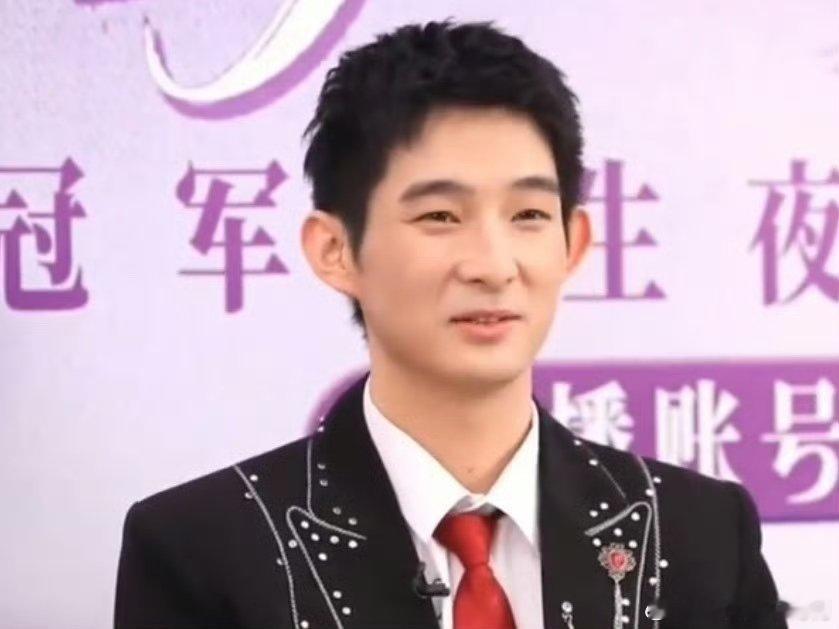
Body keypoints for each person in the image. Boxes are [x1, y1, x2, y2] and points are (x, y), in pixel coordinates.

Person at [114, 20, 788, 629]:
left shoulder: (699, 533)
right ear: (335, 250)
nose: (492, 265)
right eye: (439, 216)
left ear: (572, 243)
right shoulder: (202, 548)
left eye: (528, 215)